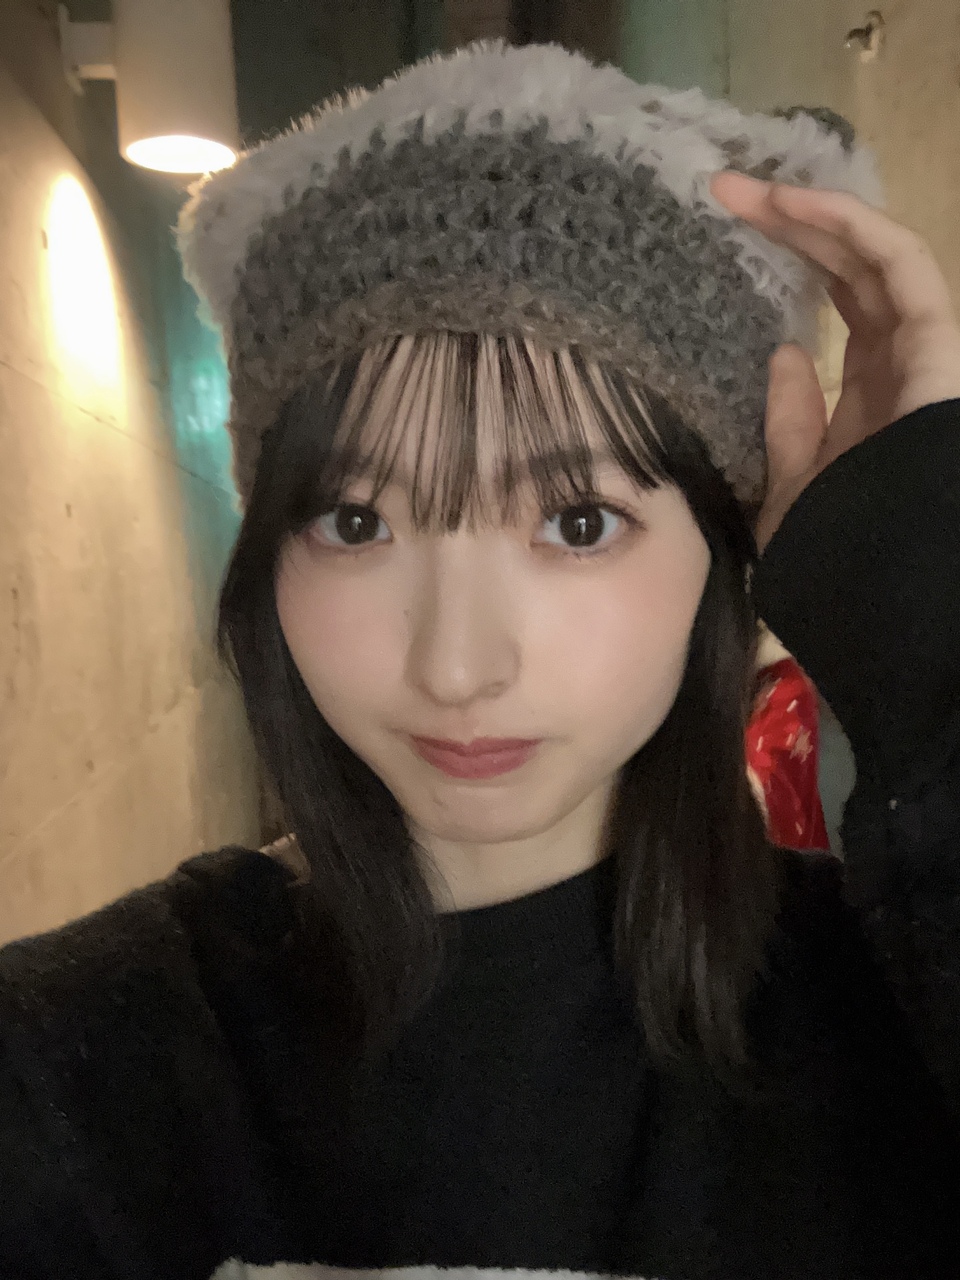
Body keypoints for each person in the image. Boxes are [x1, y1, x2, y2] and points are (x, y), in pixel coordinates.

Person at [1, 40, 959, 1280]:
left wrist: (920, 588)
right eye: (357, 522)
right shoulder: (86, 1072)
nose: (457, 666)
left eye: (578, 522)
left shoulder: (895, 1014)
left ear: (726, 549)